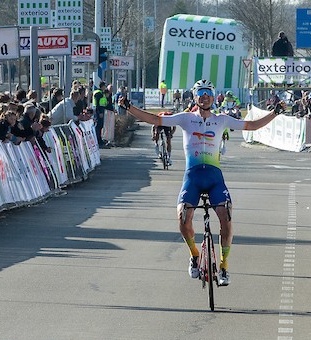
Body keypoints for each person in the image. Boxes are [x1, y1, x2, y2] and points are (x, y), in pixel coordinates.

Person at [119, 79, 284, 286]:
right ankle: (195, 255)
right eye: (200, 93)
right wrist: (129, 108)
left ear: (213, 97)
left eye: (208, 92)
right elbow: (155, 120)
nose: (204, 96)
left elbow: (251, 125)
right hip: (193, 178)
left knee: (226, 217)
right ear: (195, 97)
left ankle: (224, 266)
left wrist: (275, 113)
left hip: (215, 179)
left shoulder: (222, 120)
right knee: (182, 217)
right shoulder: (186, 118)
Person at [92, 81, 110, 147]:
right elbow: (97, 104)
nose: (105, 87)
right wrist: (99, 113)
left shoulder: (101, 93)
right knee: (98, 126)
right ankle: (97, 140)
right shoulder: (98, 93)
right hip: (98, 111)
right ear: (102, 86)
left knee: (100, 126)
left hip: (100, 110)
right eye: (104, 86)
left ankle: (99, 140)